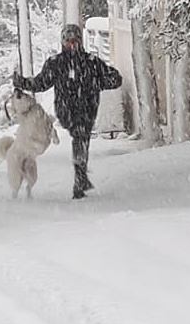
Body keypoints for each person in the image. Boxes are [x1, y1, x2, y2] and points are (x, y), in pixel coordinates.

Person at [13, 23, 122, 199]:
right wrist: (22, 82)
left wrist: (97, 83)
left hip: (87, 108)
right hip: (67, 110)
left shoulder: (92, 63)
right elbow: (41, 83)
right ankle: (80, 178)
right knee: (79, 135)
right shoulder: (56, 63)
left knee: (82, 136)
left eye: (75, 41)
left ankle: (81, 175)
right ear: (63, 42)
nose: (72, 45)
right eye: (68, 41)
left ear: (80, 41)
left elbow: (116, 79)